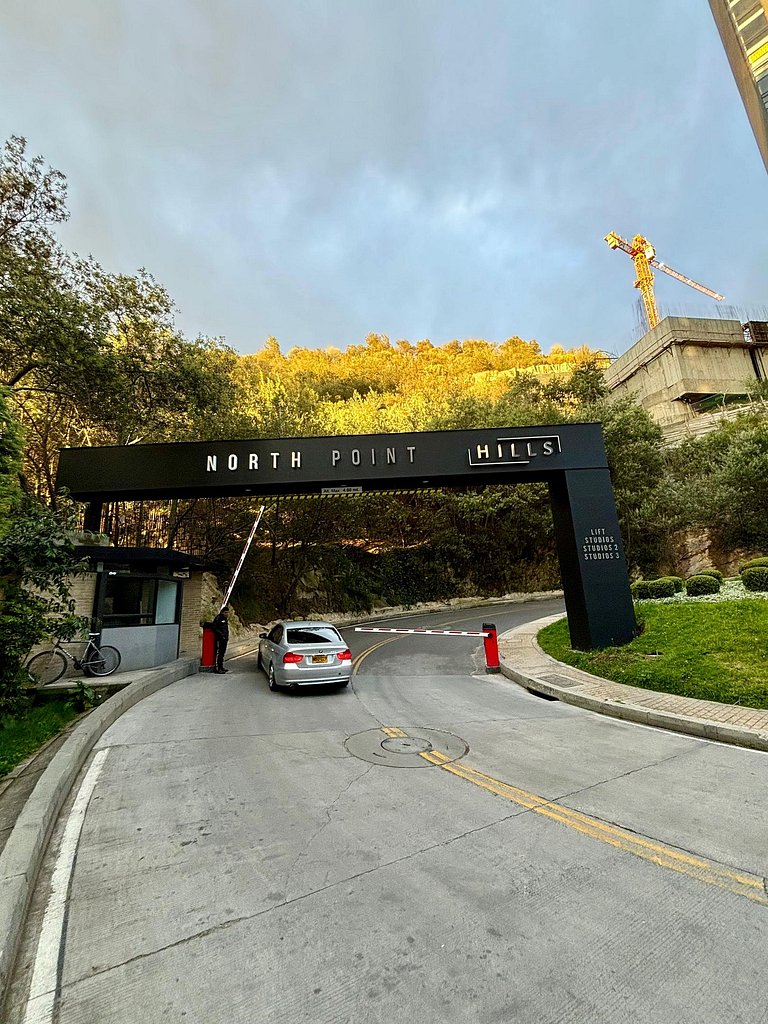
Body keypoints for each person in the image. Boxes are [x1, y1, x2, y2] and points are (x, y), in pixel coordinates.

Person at [211, 605, 230, 673]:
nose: (227, 614)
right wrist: (221, 635)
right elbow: (214, 627)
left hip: (224, 638)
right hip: (220, 638)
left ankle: (221, 667)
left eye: (227, 612)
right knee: (219, 654)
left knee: (222, 653)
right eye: (225, 612)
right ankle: (218, 668)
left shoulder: (225, 619)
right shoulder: (218, 618)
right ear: (222, 612)